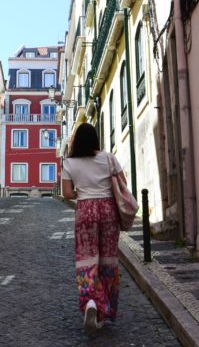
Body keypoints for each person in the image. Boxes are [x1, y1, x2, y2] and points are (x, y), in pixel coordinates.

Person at [61, 122, 123, 334]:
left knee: (86, 259)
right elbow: (122, 184)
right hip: (107, 210)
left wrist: (84, 194)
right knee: (107, 260)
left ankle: (90, 303)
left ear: (76, 141)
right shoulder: (108, 158)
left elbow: (67, 194)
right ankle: (104, 310)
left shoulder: (69, 163)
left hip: (85, 211)